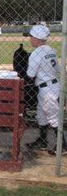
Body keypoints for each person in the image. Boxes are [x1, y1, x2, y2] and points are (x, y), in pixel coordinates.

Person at [24, 25, 67, 155]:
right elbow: (59, 69)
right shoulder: (51, 49)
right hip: (53, 85)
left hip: (47, 89)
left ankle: (63, 146)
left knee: (53, 117)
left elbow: (30, 75)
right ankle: (43, 140)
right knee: (41, 115)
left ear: (37, 38)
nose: (30, 39)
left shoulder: (36, 53)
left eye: (31, 37)